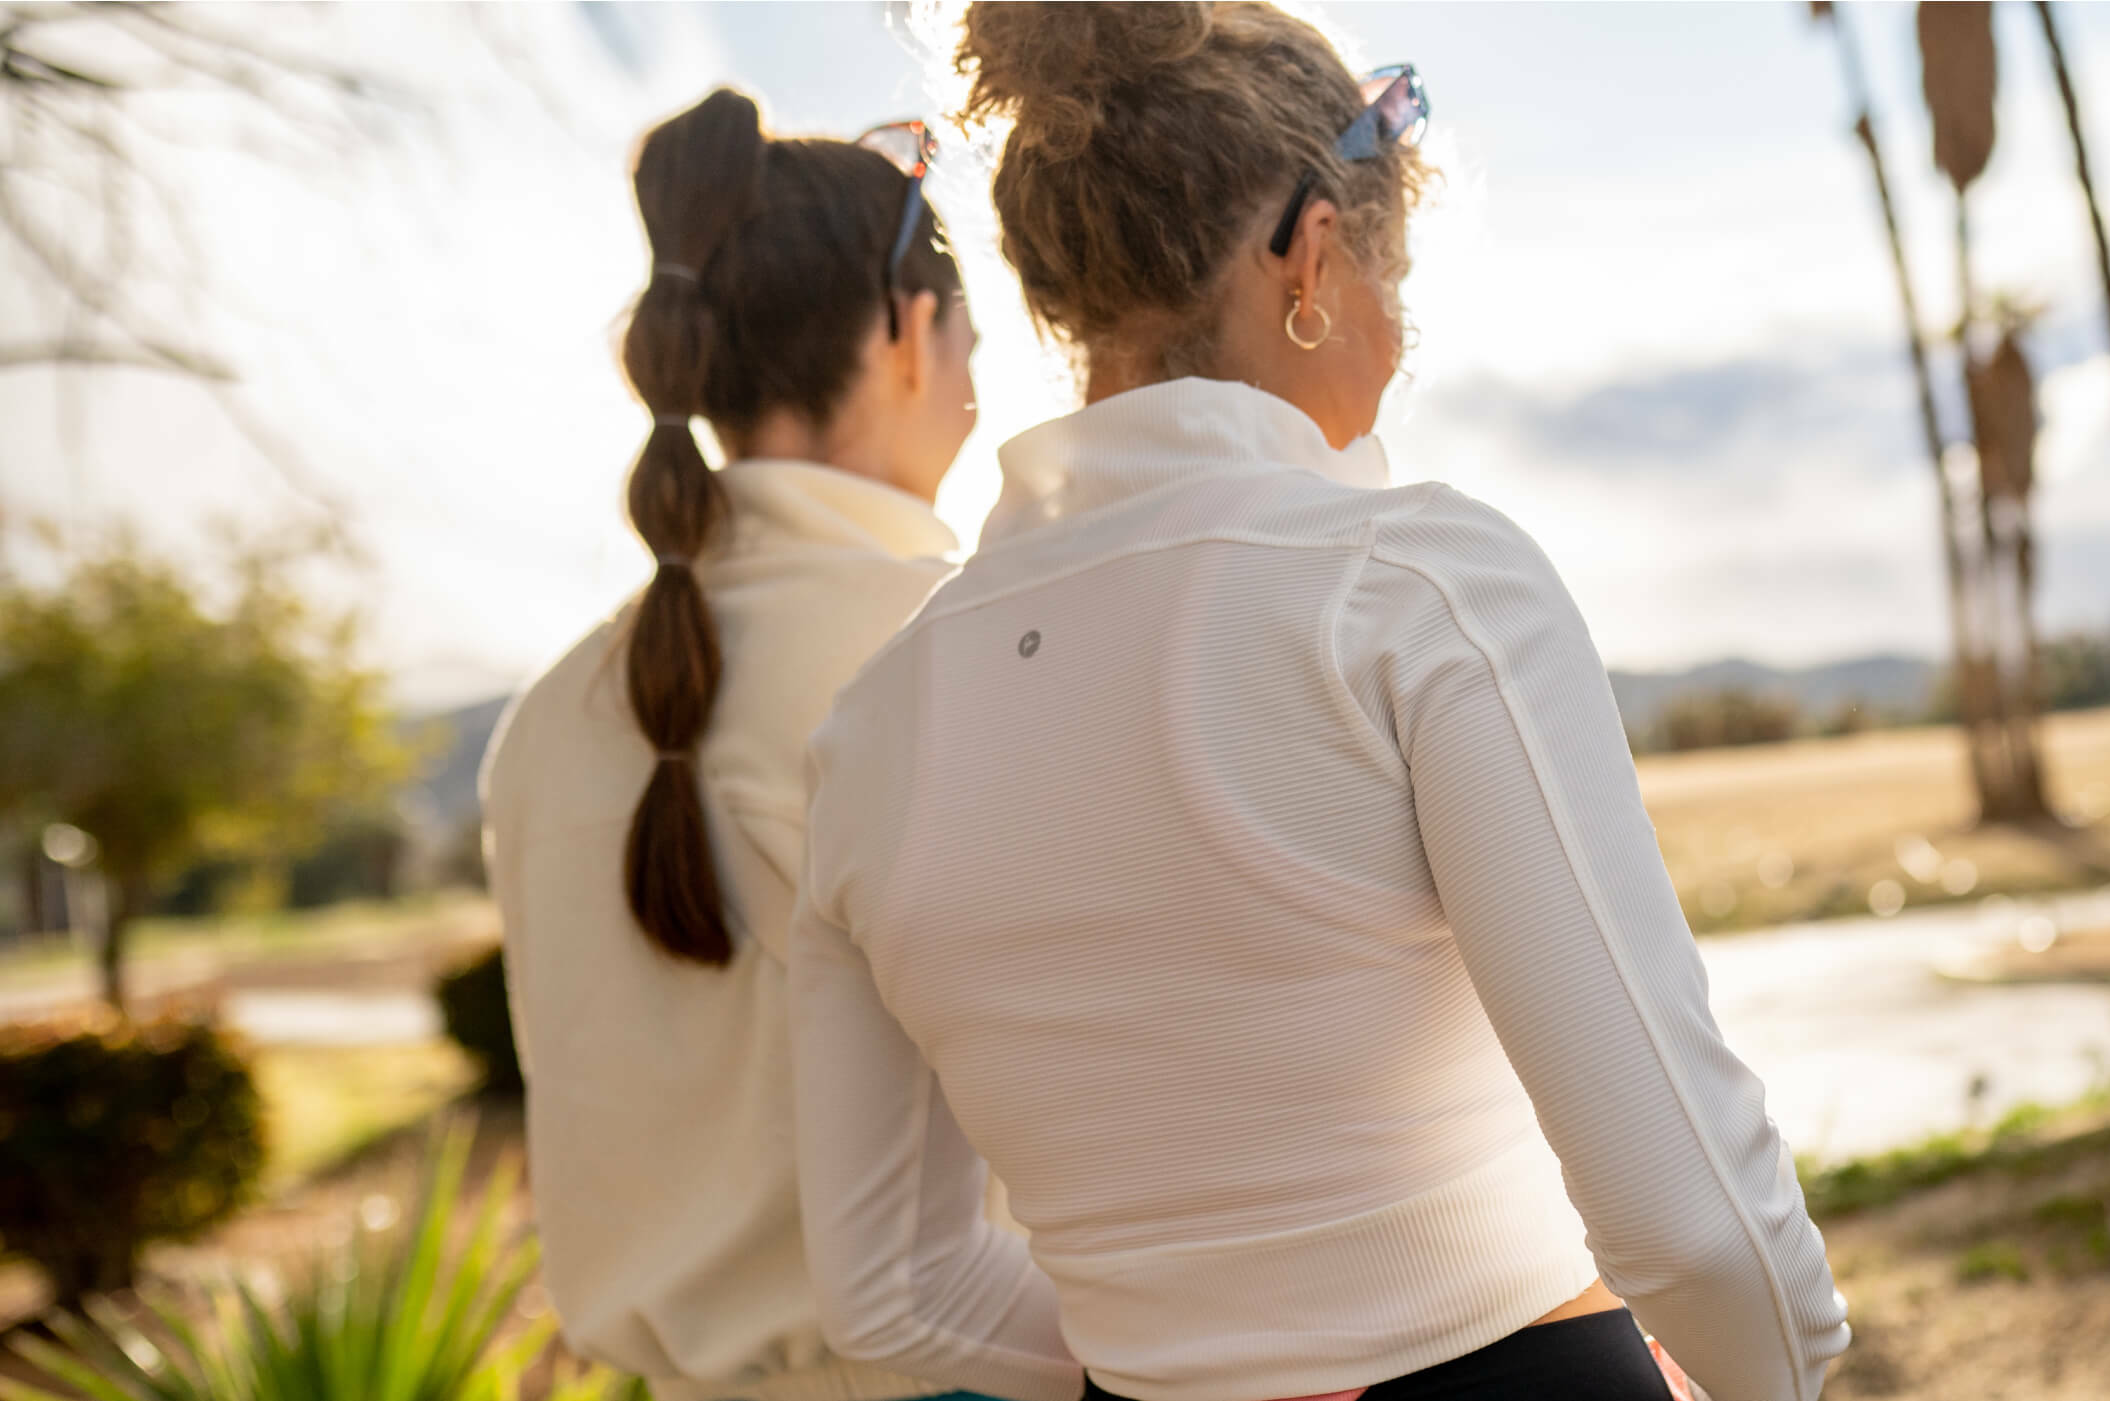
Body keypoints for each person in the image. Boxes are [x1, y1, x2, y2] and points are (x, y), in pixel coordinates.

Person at [785, 7, 1850, 1400]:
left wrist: (1200, 1349)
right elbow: (1699, 1224)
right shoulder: (1413, 588)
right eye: (1392, 276)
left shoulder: (870, 731)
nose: (1395, 343)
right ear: (1313, 255)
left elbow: (895, 1290)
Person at [481, 89, 1080, 1401]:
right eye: (973, 343)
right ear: (910, 332)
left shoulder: (542, 724)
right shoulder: (969, 653)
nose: (977, 397)